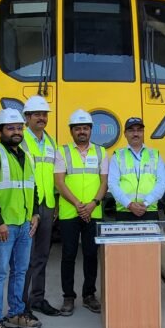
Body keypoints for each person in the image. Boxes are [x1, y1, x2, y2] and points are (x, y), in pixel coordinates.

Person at [0, 108, 42, 328]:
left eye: (19, 128)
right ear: (0, 131)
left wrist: (36, 213)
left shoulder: (25, 156)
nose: (16, 132)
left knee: (20, 271)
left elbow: (33, 186)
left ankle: (16, 313)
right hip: (4, 227)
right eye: (11, 128)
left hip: (24, 224)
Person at [54, 109, 108, 316]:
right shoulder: (63, 151)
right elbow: (59, 182)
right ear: (71, 131)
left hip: (93, 212)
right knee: (68, 254)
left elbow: (104, 182)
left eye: (85, 128)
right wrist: (78, 204)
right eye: (78, 128)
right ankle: (68, 297)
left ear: (91, 130)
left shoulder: (101, 152)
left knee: (91, 254)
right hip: (70, 212)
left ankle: (89, 295)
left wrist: (93, 203)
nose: (82, 131)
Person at [21, 96, 61, 317]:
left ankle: (38, 298)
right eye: (37, 114)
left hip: (47, 204)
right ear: (27, 117)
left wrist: (54, 201)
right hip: (28, 206)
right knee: (24, 258)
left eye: (44, 114)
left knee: (42, 255)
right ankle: (22, 304)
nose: (41, 118)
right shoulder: (21, 139)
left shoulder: (50, 141)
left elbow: (53, 174)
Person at [108, 117, 165, 221]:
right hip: (124, 211)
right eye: (131, 130)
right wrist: (129, 204)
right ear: (125, 133)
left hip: (149, 210)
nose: (135, 134)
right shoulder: (117, 155)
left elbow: (162, 183)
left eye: (139, 130)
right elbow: (112, 184)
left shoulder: (155, 154)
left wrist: (146, 203)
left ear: (143, 133)